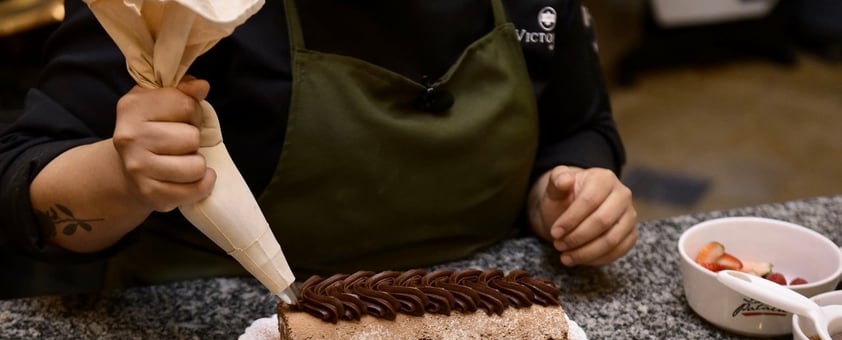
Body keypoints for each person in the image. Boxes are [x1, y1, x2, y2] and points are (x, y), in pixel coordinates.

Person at [0, 0, 638, 291]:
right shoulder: (176, 9)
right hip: (225, 334)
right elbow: (21, 189)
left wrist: (568, 196)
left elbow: (578, 128)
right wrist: (123, 174)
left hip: (482, 317)